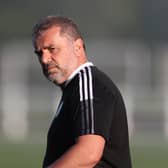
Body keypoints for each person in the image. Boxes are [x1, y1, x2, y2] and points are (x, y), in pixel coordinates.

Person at [32, 15, 132, 168]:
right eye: (40, 53)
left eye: (52, 49)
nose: (45, 59)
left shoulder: (88, 82)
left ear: (78, 47)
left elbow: (88, 153)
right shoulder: (75, 88)